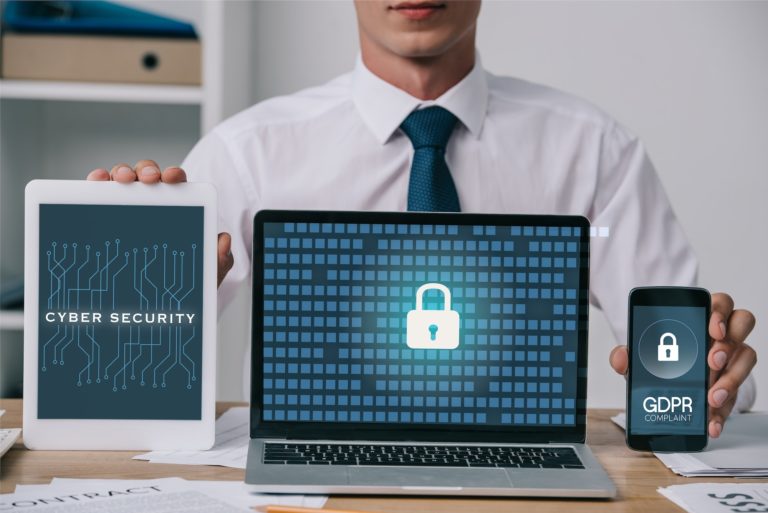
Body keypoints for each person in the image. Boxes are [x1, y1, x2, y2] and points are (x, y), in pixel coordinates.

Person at [87, 0, 756, 437]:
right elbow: (126, 385)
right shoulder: (247, 152)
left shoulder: (593, 149)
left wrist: (712, 375)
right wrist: (123, 285)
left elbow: (686, 375)